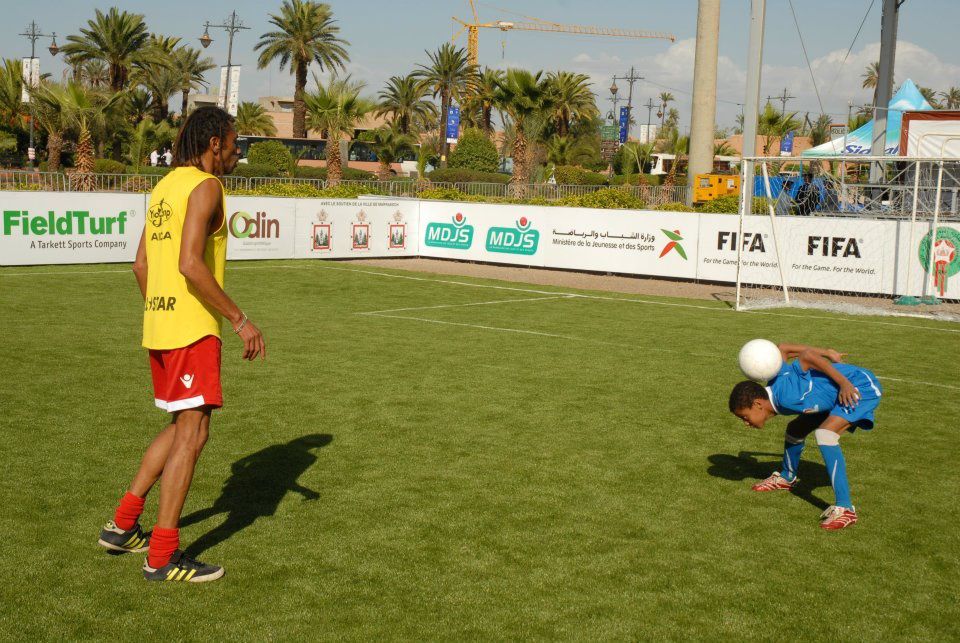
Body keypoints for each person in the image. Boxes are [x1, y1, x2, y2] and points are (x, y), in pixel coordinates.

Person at [96, 105, 265, 582]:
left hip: (161, 327)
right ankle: (162, 557)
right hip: (192, 330)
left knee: (182, 428)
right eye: (234, 143)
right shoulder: (207, 185)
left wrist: (161, 308)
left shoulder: (165, 186)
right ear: (216, 144)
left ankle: (123, 525)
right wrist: (239, 319)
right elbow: (192, 263)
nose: (236, 152)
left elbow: (140, 266)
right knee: (191, 434)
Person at [728, 342, 882, 530]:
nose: (745, 422)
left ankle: (845, 508)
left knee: (825, 434)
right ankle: (786, 477)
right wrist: (828, 351)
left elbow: (807, 356)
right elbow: (783, 348)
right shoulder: (775, 382)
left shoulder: (786, 396)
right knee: (795, 429)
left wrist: (843, 382)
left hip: (858, 386)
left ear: (758, 404)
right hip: (832, 396)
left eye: (745, 416)